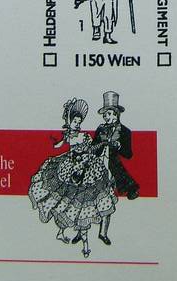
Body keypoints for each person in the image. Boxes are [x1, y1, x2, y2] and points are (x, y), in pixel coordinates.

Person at [28, 98, 117, 256]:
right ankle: (74, 232)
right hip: (71, 167)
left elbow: (91, 148)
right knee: (70, 199)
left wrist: (100, 146)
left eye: (79, 121)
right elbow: (58, 145)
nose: (77, 124)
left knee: (86, 199)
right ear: (69, 122)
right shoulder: (68, 136)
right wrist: (57, 142)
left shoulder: (85, 136)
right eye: (75, 121)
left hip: (87, 167)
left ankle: (87, 233)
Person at [90, 91, 139, 245]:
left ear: (117, 114)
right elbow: (93, 149)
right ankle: (83, 231)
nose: (107, 117)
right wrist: (100, 145)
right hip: (96, 166)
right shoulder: (100, 129)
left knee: (107, 201)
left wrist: (118, 146)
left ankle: (103, 233)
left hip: (113, 166)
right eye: (105, 114)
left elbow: (128, 154)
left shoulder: (125, 131)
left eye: (110, 114)